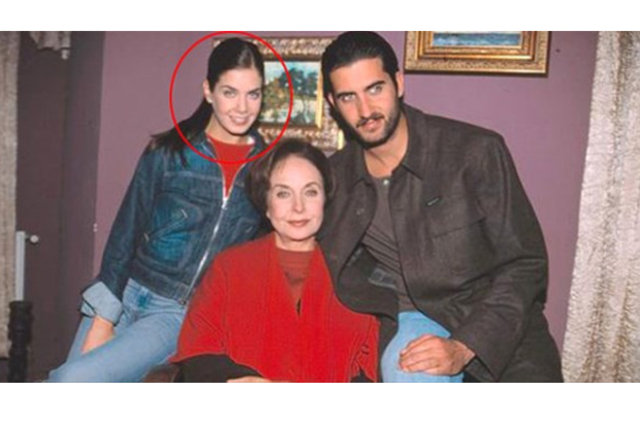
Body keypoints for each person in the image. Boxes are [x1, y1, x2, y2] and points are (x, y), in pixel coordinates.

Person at [317, 31, 563, 382]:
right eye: (348, 97)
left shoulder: (475, 152)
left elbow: (525, 265)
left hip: (497, 324)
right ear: (332, 102)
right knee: (410, 372)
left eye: (375, 89)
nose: (365, 110)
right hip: (411, 320)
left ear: (399, 82)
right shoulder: (333, 179)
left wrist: (465, 345)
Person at [48, 38, 268, 382]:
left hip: (175, 313)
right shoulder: (168, 152)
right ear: (208, 91)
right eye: (230, 92)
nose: (242, 107)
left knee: (70, 381)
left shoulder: (266, 168)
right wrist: (104, 319)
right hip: (123, 291)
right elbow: (126, 231)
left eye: (253, 94)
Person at [171, 139, 379, 382]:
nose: (298, 207)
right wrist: (242, 380)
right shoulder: (229, 267)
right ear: (266, 204)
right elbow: (197, 351)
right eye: (283, 193)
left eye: (310, 192)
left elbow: (370, 367)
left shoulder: (354, 273)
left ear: (325, 199)